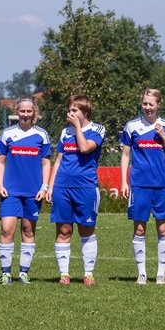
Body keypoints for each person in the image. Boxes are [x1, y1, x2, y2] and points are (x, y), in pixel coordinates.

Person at [120, 89, 165, 284]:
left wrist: (164, 137)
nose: (147, 107)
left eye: (151, 104)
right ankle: (142, 273)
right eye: (145, 103)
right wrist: (123, 181)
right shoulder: (132, 126)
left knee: (163, 228)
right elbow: (126, 155)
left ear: (158, 104)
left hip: (161, 184)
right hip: (139, 185)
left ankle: (161, 274)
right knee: (139, 229)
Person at [48, 95, 105, 285]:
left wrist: (78, 128)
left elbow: (84, 148)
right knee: (63, 230)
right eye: (69, 110)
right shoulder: (65, 132)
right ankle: (64, 274)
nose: (70, 113)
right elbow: (58, 160)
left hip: (86, 187)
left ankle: (88, 274)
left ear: (85, 112)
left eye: (75, 110)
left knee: (86, 230)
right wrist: (50, 186)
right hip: (62, 188)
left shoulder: (97, 129)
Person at [0, 96, 52, 285]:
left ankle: (24, 273)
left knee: (28, 230)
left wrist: (44, 187)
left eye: (29, 111)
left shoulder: (42, 135)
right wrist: (0, 185)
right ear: (16, 112)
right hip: (10, 190)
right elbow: (0, 161)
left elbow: (46, 163)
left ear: (34, 112)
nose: (26, 114)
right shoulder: (7, 134)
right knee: (6, 229)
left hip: (33, 192)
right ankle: (5, 273)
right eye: (22, 111)